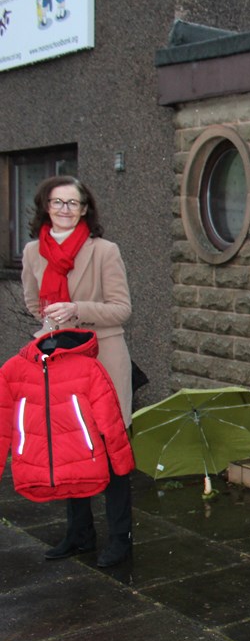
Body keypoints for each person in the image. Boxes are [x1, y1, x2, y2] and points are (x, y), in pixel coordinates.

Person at [22, 176, 135, 568]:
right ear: (46, 206)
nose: (66, 209)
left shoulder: (104, 251)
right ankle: (80, 532)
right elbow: (32, 302)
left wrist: (76, 309)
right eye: (58, 202)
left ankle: (121, 537)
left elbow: (122, 309)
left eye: (74, 203)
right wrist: (52, 319)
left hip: (103, 357)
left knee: (111, 447)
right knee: (72, 445)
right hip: (60, 360)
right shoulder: (33, 252)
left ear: (86, 209)